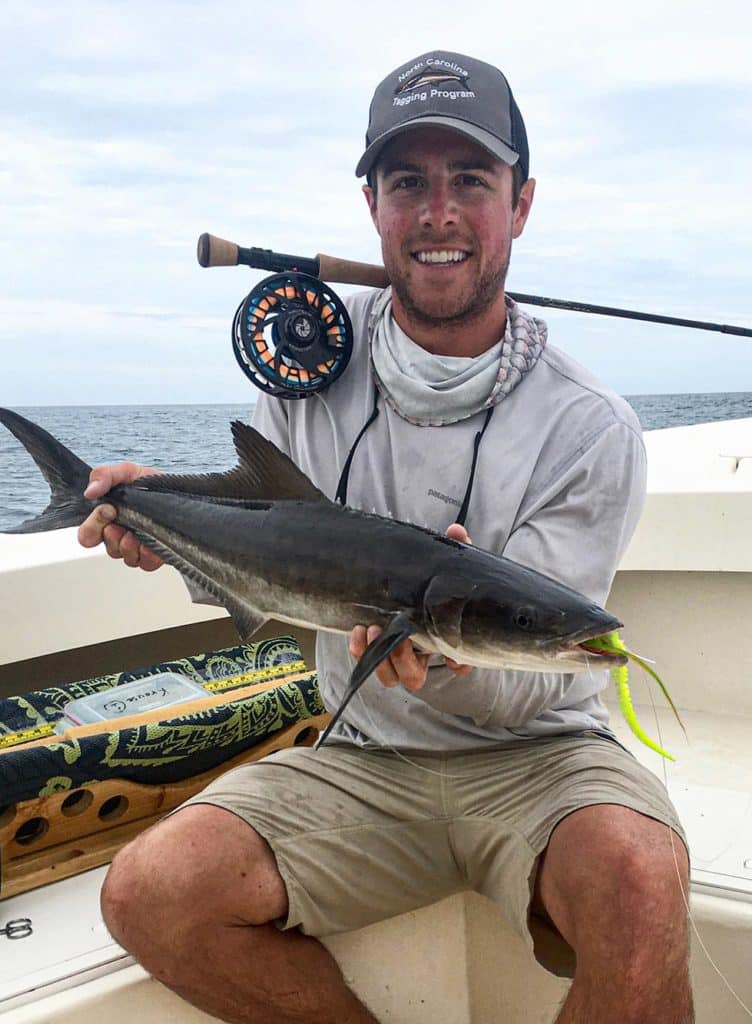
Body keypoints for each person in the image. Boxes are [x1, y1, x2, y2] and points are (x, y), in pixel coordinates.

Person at [79, 50, 693, 1024]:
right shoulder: (304, 368)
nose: (438, 212)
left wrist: (438, 654)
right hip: (362, 751)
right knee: (147, 891)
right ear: (373, 203)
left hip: (537, 755)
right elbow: (262, 534)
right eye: (409, 181)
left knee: (640, 877)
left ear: (521, 204)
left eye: (471, 181)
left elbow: (530, 638)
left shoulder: (590, 427)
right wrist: (154, 512)